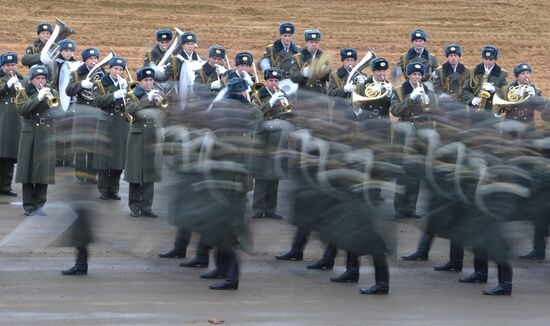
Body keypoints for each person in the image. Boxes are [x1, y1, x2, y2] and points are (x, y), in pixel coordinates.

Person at [390, 62, 438, 219]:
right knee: (403, 172)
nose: (417, 77)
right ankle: (399, 208)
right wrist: (410, 98)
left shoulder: (428, 90)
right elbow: (395, 111)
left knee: (416, 172)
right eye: (414, 74)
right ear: (408, 75)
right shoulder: (399, 90)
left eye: (419, 74)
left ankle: (411, 208)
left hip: (420, 134)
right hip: (405, 134)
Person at [14, 65, 62, 216]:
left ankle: (39, 205)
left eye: (43, 78)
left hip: (46, 132)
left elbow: (58, 111)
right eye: (37, 78)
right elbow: (22, 110)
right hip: (30, 132)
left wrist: (48, 101)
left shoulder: (52, 92)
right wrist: (38, 98)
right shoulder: (24, 92)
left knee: (43, 170)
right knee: (27, 170)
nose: (41, 81)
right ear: (31, 79)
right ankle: (28, 206)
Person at [250, 67, 291, 219]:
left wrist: (286, 107)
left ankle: (271, 209)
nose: (274, 83)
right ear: (265, 81)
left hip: (278, 139)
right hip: (262, 139)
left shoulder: (282, 94)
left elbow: (289, 114)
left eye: (276, 80)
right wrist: (270, 103)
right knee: (261, 177)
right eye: (271, 81)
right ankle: (258, 209)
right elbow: (255, 116)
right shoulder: (257, 96)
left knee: (275, 175)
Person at [124, 67, 164, 218]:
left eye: (151, 80)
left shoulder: (157, 94)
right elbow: (131, 110)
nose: (149, 83)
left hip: (152, 135)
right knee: (136, 173)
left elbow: (163, 114)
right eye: (146, 80)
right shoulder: (132, 95)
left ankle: (147, 207)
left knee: (150, 173)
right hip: (138, 135)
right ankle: (134, 206)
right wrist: (147, 100)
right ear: (140, 82)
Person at [92, 56, 130, 200]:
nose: (118, 72)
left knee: (118, 158)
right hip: (106, 122)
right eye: (115, 68)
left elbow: (132, 101)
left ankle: (114, 189)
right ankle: (103, 189)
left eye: (120, 69)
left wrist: (127, 92)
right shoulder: (100, 83)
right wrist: (115, 95)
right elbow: (98, 101)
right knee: (104, 158)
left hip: (121, 123)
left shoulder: (125, 83)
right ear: (110, 69)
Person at [66, 47, 104, 184]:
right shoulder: (77, 74)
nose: (94, 61)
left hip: (96, 109)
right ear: (85, 60)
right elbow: (68, 90)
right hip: (82, 109)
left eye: (95, 58)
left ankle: (92, 175)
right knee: (81, 144)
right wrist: (81, 84)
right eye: (91, 59)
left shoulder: (102, 72)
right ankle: (81, 174)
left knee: (94, 145)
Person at [50, 39, 78, 168]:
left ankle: (69, 158)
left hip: (72, 100)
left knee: (71, 130)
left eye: (71, 51)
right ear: (60, 51)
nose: (68, 53)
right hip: (59, 99)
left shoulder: (76, 64)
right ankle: (58, 157)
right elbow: (52, 81)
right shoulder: (55, 63)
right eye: (66, 51)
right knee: (59, 129)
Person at [0, 52, 24, 197]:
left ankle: (6, 185)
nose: (10, 68)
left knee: (9, 155)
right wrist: (6, 87)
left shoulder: (21, 78)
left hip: (14, 121)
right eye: (7, 65)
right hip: (1, 119)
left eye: (13, 65)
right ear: (2, 66)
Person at [289, 29, 331, 113]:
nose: (314, 44)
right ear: (306, 43)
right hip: (304, 98)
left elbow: (330, 78)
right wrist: (303, 73)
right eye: (311, 42)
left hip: (320, 98)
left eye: (316, 42)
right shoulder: (297, 58)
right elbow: (293, 77)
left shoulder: (324, 57)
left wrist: (325, 72)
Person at [461, 45, 508, 113]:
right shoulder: (473, 72)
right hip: (474, 111)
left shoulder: (502, 74)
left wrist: (494, 89)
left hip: (492, 111)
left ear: (495, 59)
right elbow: (465, 90)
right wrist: (472, 99)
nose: (488, 62)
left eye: (490, 60)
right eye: (486, 59)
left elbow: (505, 93)